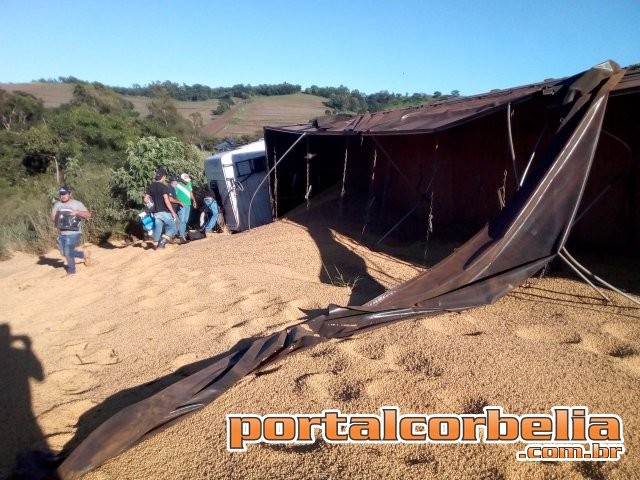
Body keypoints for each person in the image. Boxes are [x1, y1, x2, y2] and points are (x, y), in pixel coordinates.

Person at [50, 186, 92, 276]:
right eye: (61, 194)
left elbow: (88, 214)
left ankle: (71, 271)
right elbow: (52, 217)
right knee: (63, 252)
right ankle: (83, 255)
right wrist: (59, 216)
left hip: (74, 232)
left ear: (70, 194)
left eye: (65, 194)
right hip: (62, 233)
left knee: (68, 251)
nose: (63, 196)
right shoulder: (57, 205)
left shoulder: (77, 204)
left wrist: (77, 212)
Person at [144, 168, 177, 250]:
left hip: (156, 212)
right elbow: (167, 200)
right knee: (173, 227)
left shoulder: (150, 187)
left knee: (158, 228)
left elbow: (145, 199)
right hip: (164, 211)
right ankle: (163, 241)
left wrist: (150, 204)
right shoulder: (163, 187)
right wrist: (173, 212)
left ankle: (156, 244)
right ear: (163, 177)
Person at [174, 173, 197, 242]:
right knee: (182, 220)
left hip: (188, 204)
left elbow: (190, 192)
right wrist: (179, 202)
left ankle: (181, 234)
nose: (187, 181)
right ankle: (181, 235)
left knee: (185, 220)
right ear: (181, 179)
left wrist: (194, 200)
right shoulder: (177, 185)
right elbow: (175, 195)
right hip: (182, 205)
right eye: (185, 180)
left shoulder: (189, 183)